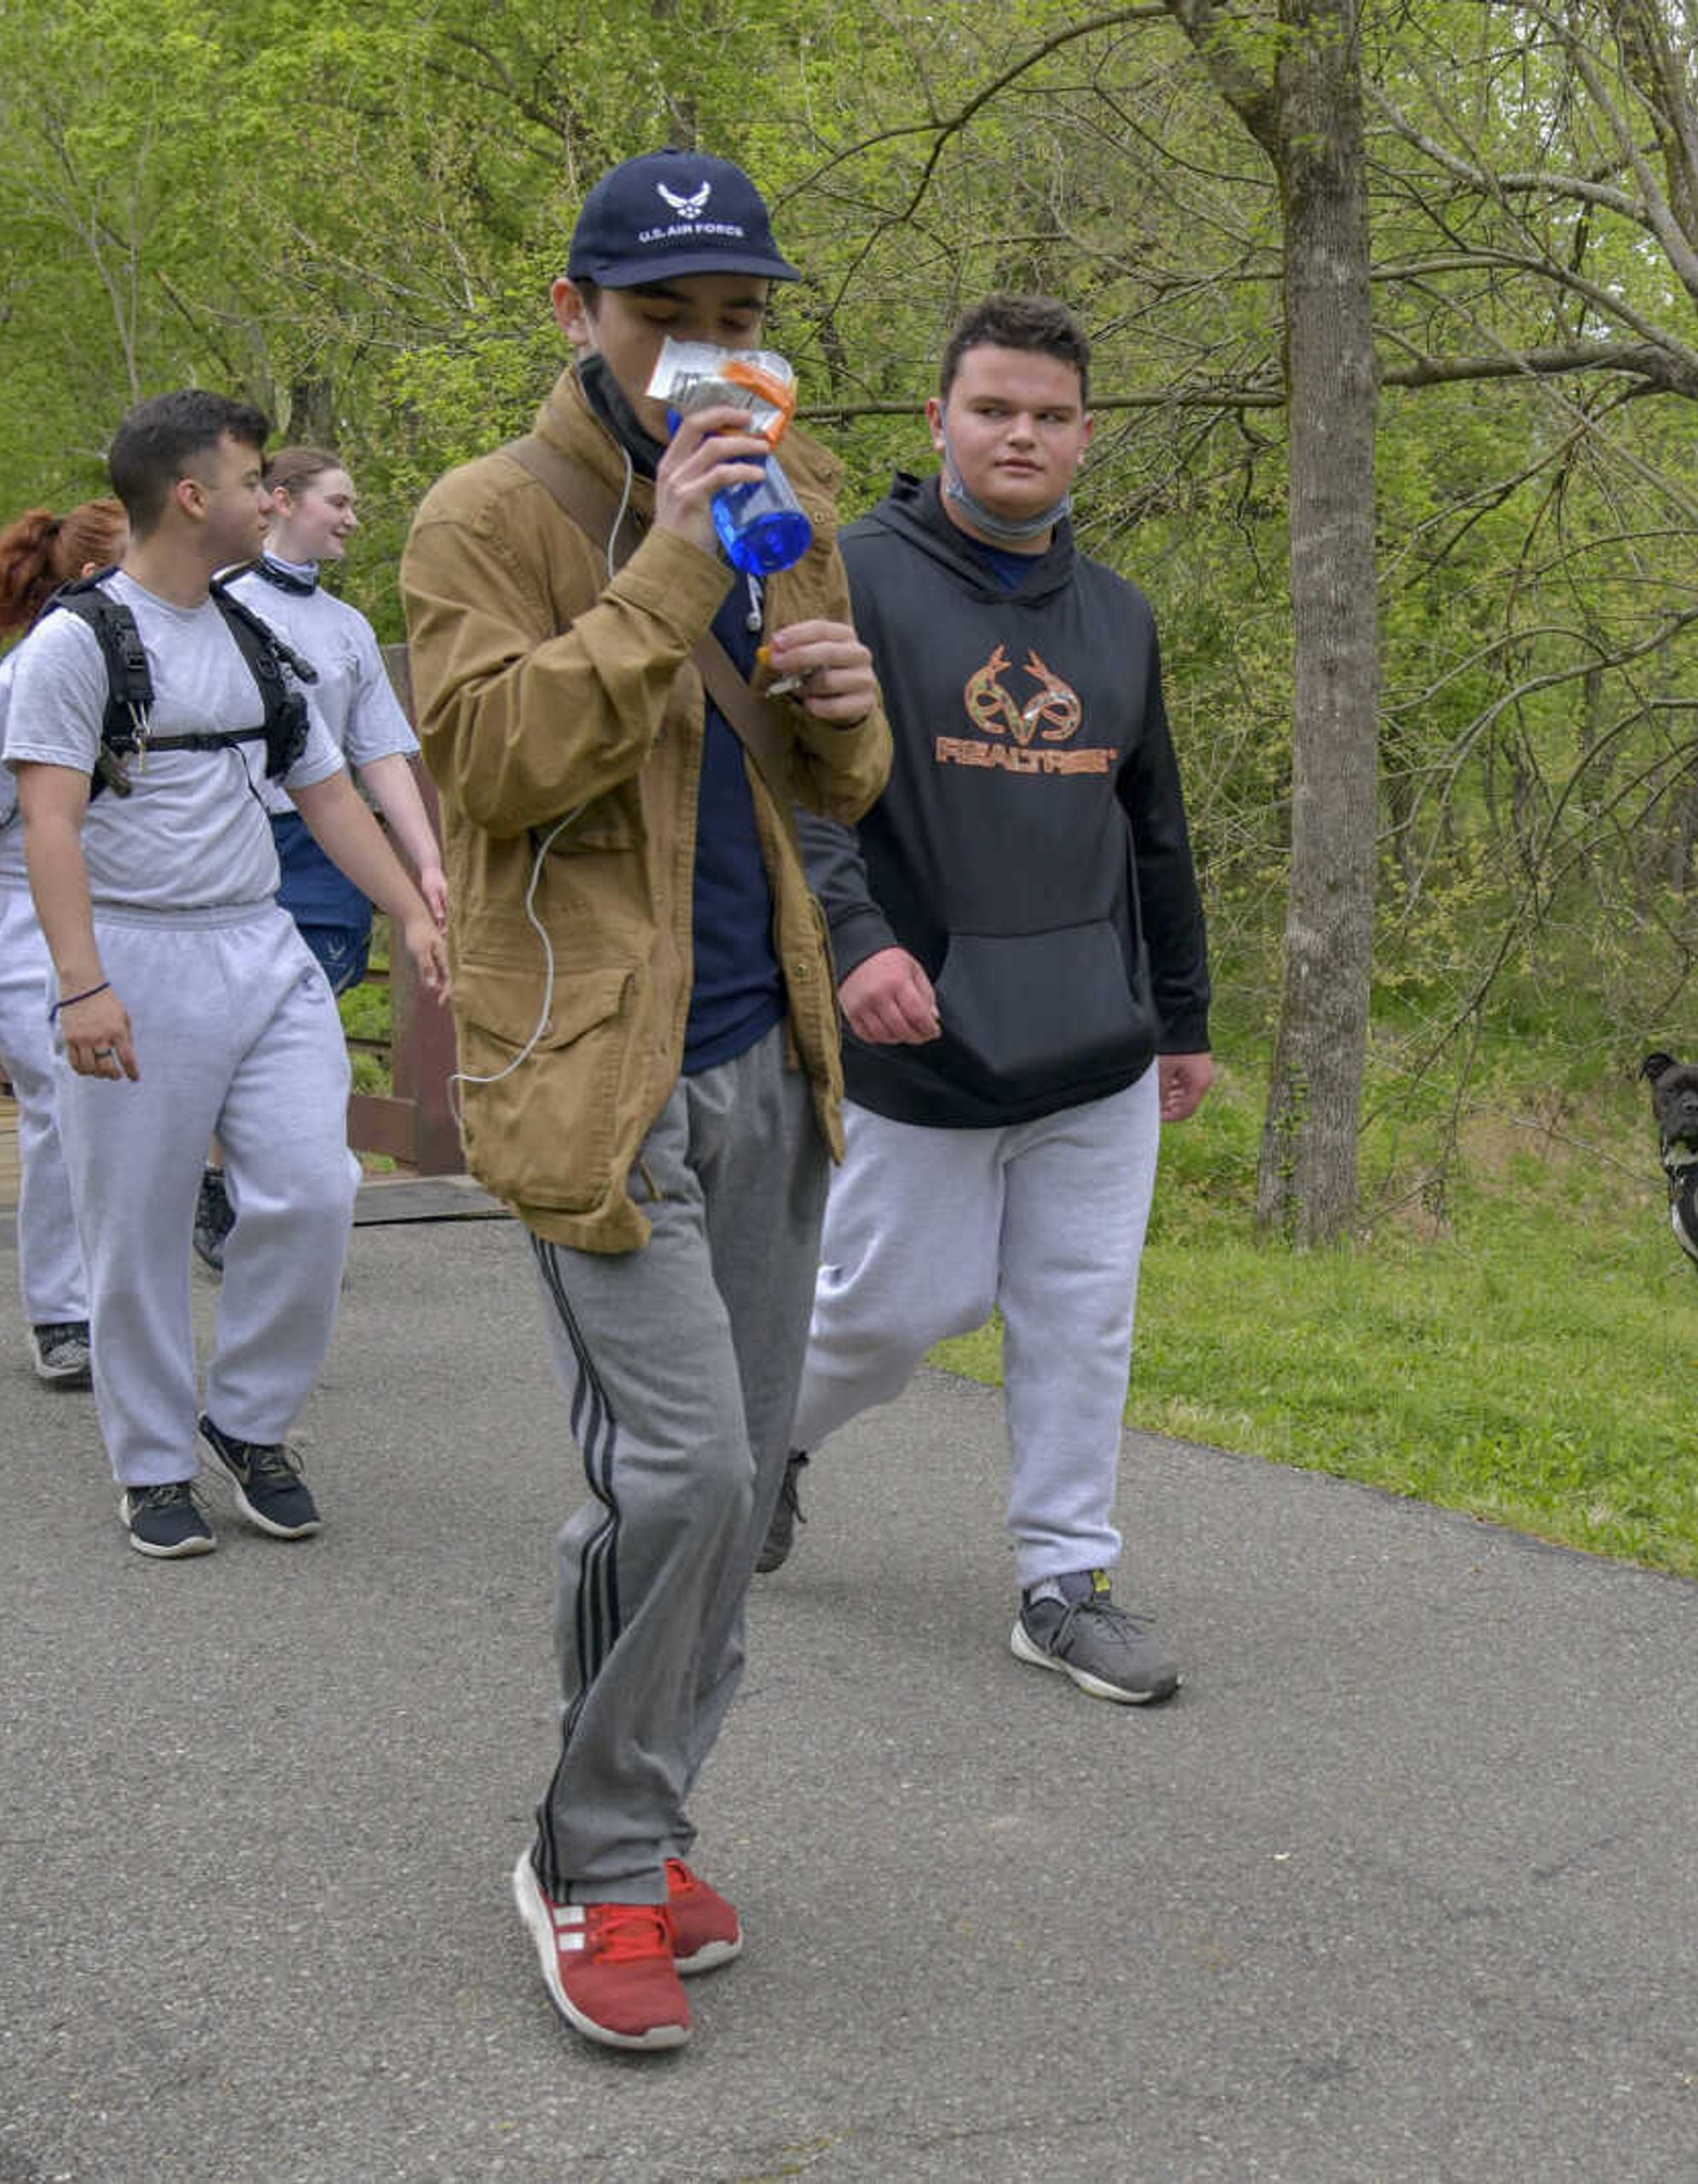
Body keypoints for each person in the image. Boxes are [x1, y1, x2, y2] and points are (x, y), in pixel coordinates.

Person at [401, 148, 890, 2054]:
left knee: (731, 1480)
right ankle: (592, 1858)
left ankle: (642, 1807)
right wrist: (678, 552)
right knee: (675, 1469)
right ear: (578, 318)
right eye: (663, 317)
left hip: (773, 1049)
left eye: (740, 321)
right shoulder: (482, 515)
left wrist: (840, 697)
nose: (707, 354)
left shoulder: (800, 498)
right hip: (588, 1076)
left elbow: (834, 789)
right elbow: (495, 761)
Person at [765, 296, 1214, 1710]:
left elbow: (1156, 828)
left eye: (1051, 414)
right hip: (922, 1029)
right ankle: (762, 1449)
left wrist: (1186, 1018)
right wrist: (856, 946)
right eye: (993, 409)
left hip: (1096, 1035)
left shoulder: (1119, 617)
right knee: (893, 1310)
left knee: (1084, 1311)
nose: (1022, 434)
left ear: (1087, 436)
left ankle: (1062, 1581)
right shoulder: (857, 581)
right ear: (938, 421)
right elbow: (796, 786)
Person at [5, 391, 437, 1557]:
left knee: (314, 1186)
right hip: (136, 953)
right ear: (193, 495)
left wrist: (410, 910)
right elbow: (46, 825)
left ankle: (247, 1419)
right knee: (135, 1225)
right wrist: (83, 984)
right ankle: (150, 1464)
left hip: (263, 943)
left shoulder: (256, 638)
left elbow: (329, 791)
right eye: (252, 480)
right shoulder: (77, 641)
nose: (268, 498)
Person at [201, 447, 451, 1269]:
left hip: (328, 845)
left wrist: (425, 863)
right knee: (230, 1018)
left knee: (310, 1003)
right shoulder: (216, 604)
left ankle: (275, 1181)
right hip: (232, 839)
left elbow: (382, 757)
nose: (351, 517)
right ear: (280, 501)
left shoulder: (347, 632)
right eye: (338, 502)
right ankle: (220, 1173)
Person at [0, 500, 127, 1389]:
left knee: (120, 1111)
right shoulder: (33, 670)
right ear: (93, 577)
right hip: (22, 915)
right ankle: (61, 1309)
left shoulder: (164, 657)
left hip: (122, 916)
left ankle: (118, 1295)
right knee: (58, 1102)